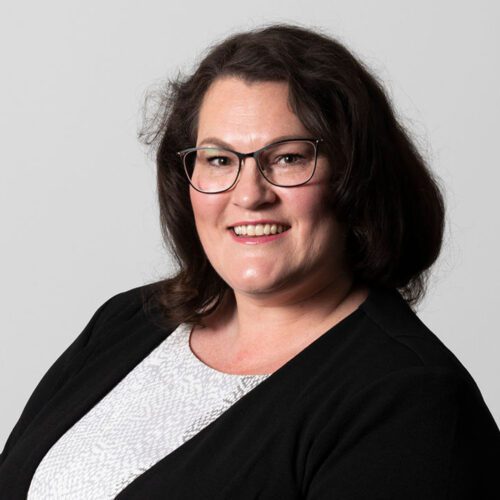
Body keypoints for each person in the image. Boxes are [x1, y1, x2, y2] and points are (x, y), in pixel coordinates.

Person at [0, 23, 499, 499]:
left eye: (288, 158)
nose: (249, 194)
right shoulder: (129, 320)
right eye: (219, 160)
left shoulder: (410, 401)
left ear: (355, 178)